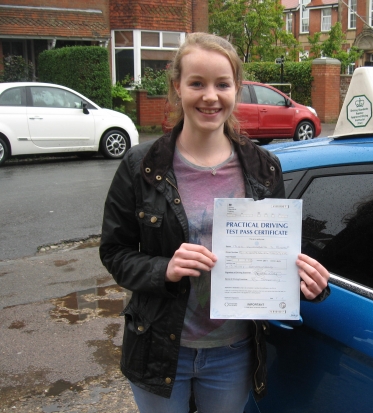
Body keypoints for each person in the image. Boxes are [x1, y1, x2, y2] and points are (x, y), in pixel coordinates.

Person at [99, 32, 330, 413]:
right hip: (159, 346)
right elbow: (114, 252)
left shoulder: (263, 167)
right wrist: (164, 268)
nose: (210, 96)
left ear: (236, 88)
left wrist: (308, 282)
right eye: (197, 83)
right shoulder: (141, 166)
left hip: (232, 351)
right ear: (177, 87)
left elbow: (274, 256)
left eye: (222, 84)